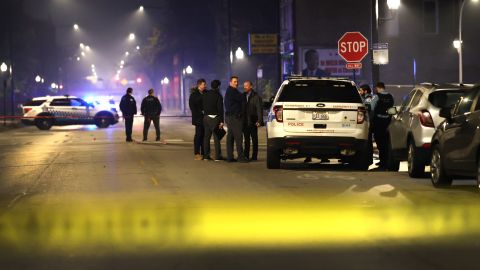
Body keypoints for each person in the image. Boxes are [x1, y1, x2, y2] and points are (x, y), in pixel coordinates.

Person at [224, 76, 248, 163]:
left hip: (230, 117)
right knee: (238, 137)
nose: (236, 83)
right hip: (234, 117)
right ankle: (240, 157)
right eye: (234, 82)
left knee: (230, 137)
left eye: (237, 81)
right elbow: (240, 98)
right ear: (230, 82)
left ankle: (230, 156)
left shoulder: (230, 91)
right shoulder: (232, 91)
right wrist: (245, 93)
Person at [371, 82, 394, 169]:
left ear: (378, 88)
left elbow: (372, 107)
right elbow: (391, 108)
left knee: (379, 142)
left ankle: (383, 163)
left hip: (378, 122)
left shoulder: (377, 96)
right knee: (385, 142)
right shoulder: (390, 96)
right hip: (387, 122)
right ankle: (384, 161)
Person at [202, 79, 225, 161]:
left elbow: (203, 105)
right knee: (216, 137)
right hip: (215, 118)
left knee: (206, 137)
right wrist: (222, 121)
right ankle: (217, 156)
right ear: (218, 86)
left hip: (206, 118)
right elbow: (220, 109)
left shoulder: (205, 94)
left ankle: (206, 156)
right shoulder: (218, 96)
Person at [242, 80, 263, 161]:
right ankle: (246, 155)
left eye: (246, 85)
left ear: (251, 86)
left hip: (253, 121)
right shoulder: (243, 95)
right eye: (244, 85)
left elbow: (259, 109)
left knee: (254, 139)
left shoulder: (256, 97)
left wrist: (259, 120)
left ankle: (254, 156)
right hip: (245, 121)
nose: (245, 87)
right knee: (246, 139)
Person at [189, 79, 207, 160]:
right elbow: (192, 106)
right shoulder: (194, 94)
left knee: (204, 135)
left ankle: (204, 153)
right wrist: (200, 112)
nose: (205, 86)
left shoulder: (206, 92)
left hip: (205, 118)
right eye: (204, 84)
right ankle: (197, 153)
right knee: (198, 135)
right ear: (199, 85)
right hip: (198, 118)